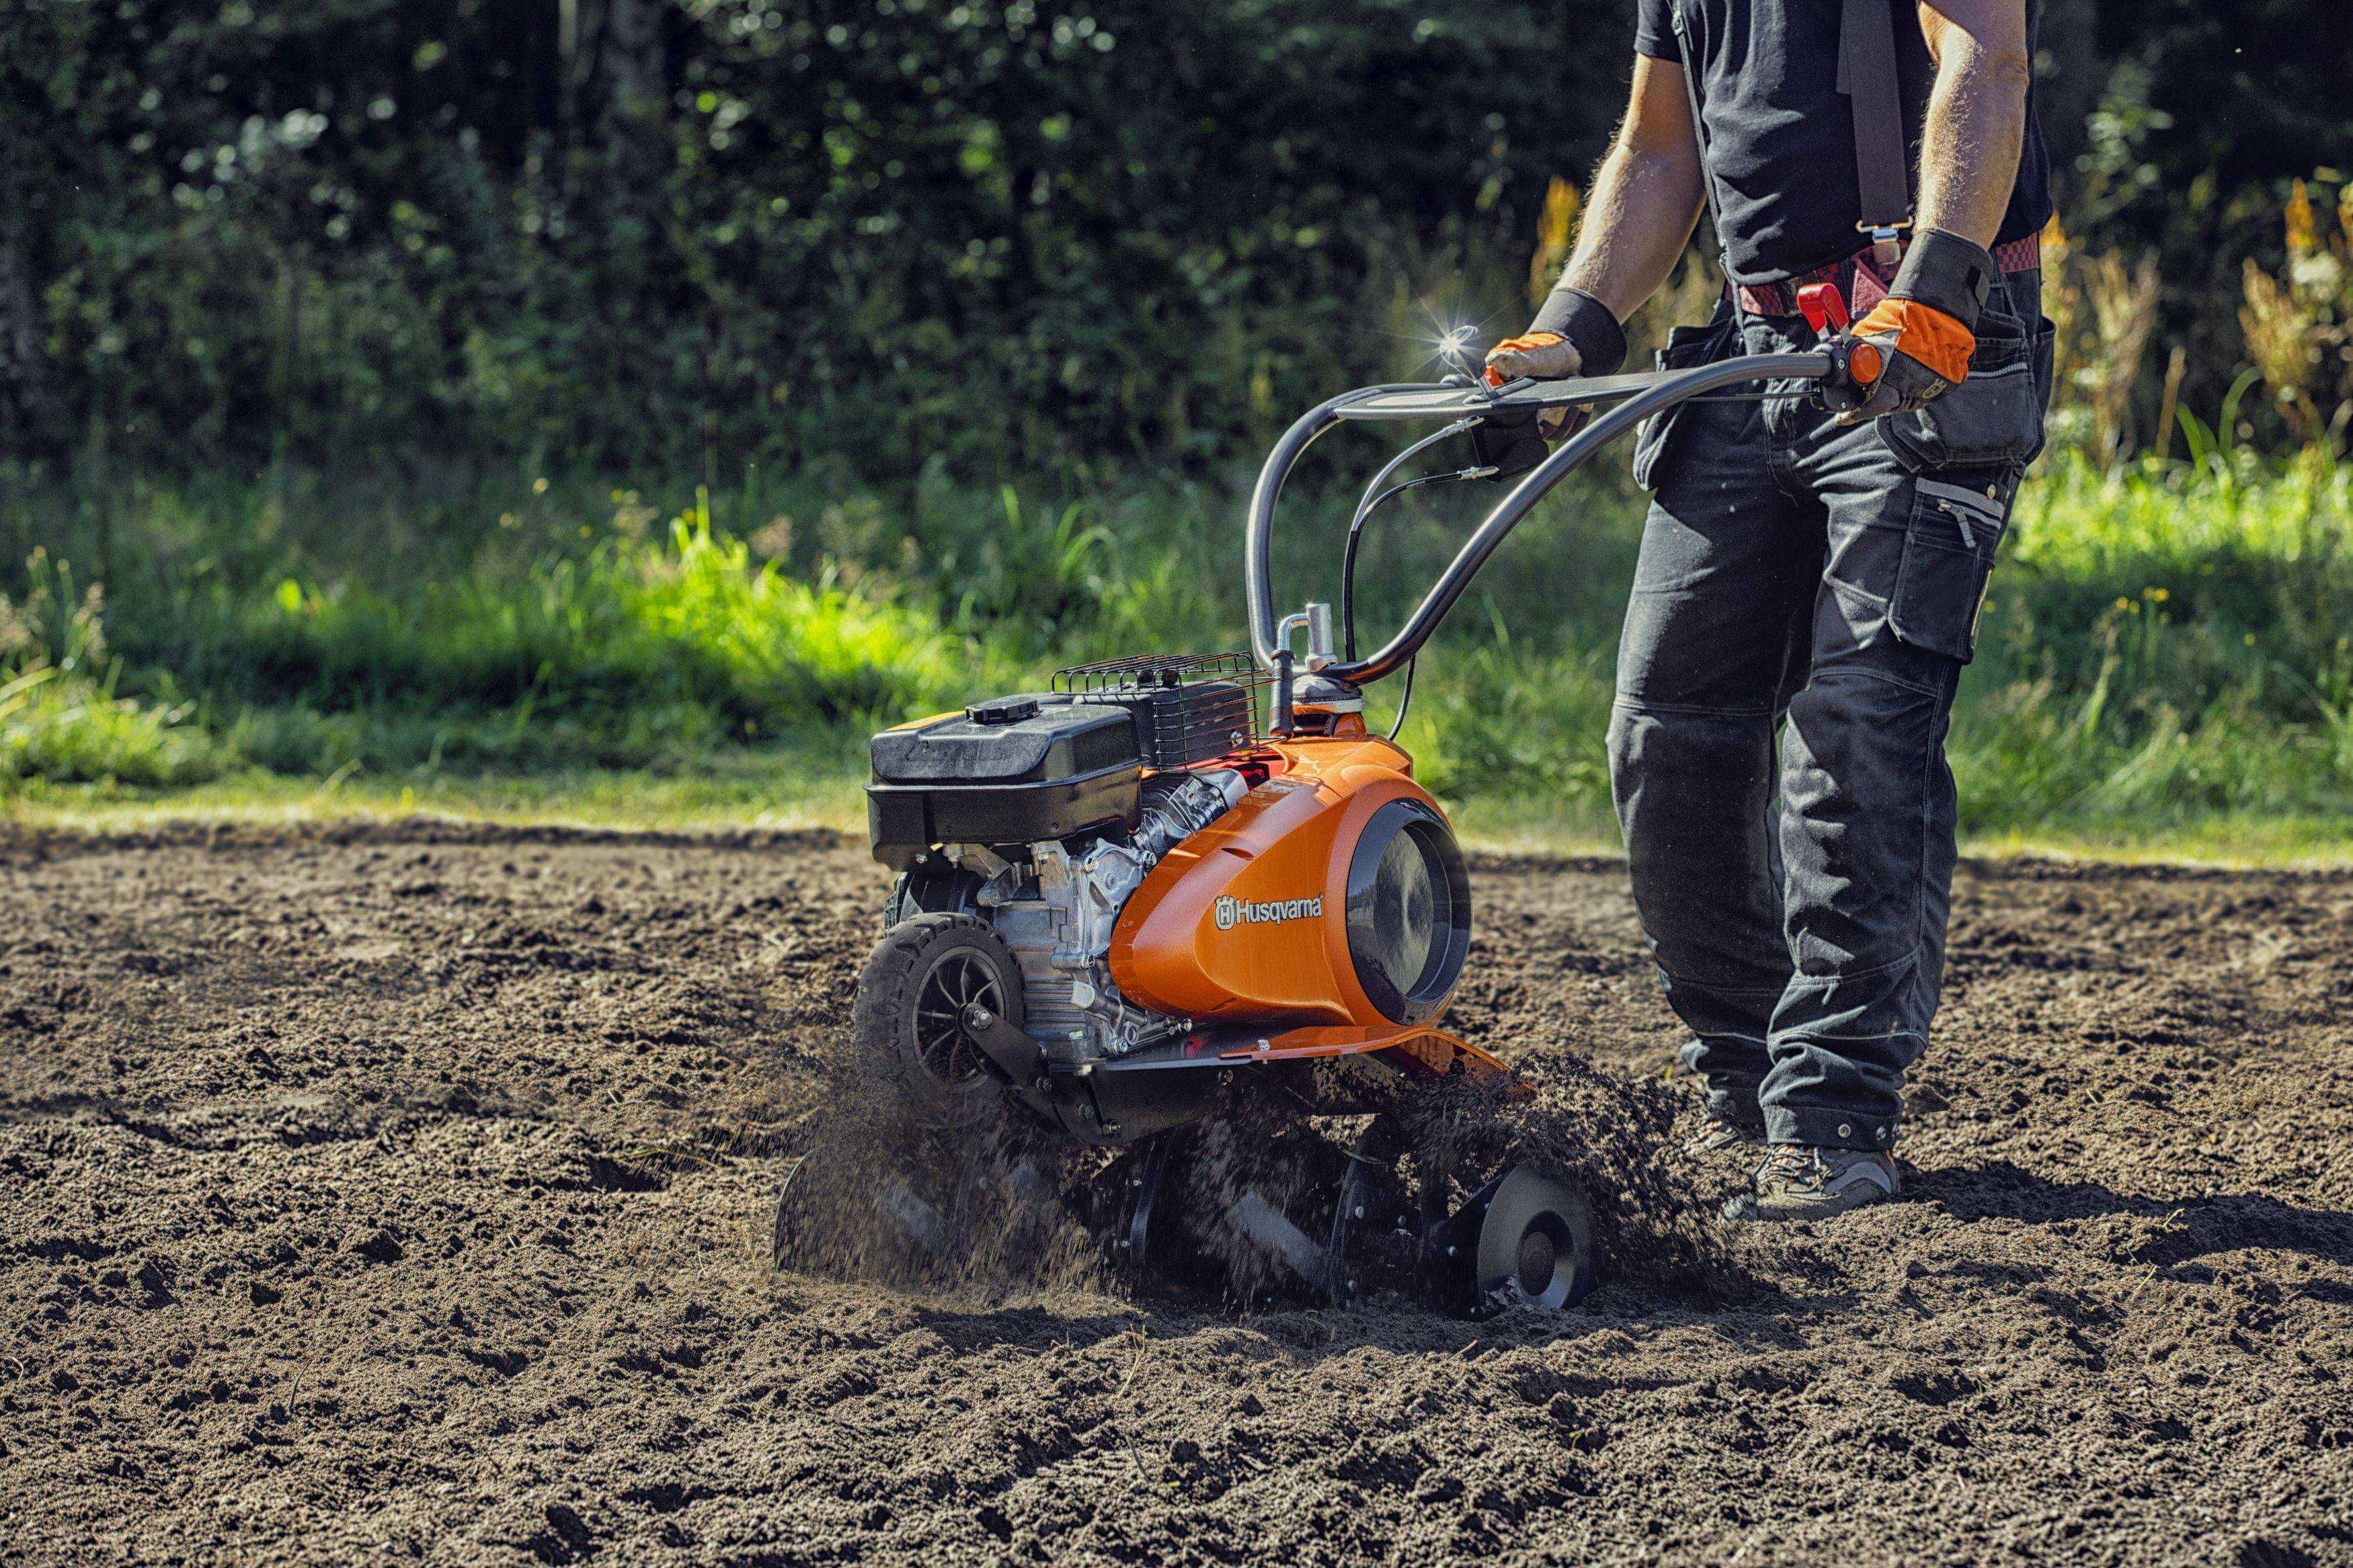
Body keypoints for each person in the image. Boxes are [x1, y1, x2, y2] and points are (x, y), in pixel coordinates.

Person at [1486, 0, 2054, 1221]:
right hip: (1752, 355)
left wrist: (1936, 284)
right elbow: (1658, 150)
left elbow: (1985, 60)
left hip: (1930, 339)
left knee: (1856, 721)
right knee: (1665, 728)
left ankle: (1834, 1109)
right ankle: (1743, 1076)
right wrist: (1570, 328)